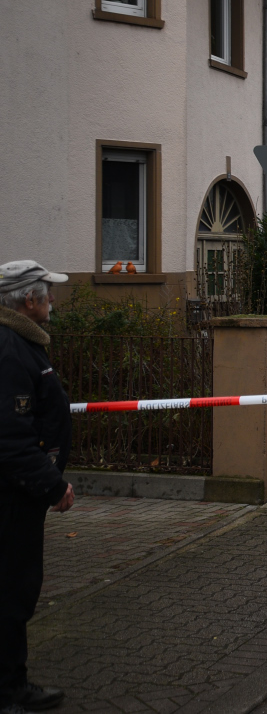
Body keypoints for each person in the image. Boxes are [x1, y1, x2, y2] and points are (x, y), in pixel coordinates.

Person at [0, 261, 74, 714]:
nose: (52, 302)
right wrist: (52, 486)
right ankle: (10, 692)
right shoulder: (10, 350)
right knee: (13, 590)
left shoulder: (22, 343)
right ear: (29, 301)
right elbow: (10, 438)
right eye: (47, 294)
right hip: (13, 497)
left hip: (20, 494)